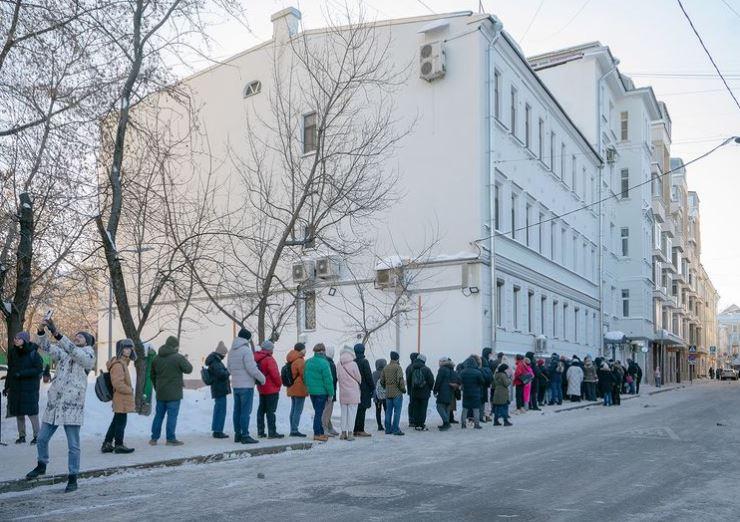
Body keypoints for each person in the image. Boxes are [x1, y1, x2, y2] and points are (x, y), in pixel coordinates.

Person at [26, 319, 95, 493]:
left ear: (87, 342)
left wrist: (57, 334)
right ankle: (41, 465)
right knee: (41, 438)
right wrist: (41, 331)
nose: (77, 337)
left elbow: (75, 353)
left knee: (73, 445)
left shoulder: (88, 354)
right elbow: (47, 347)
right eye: (76, 335)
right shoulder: (65, 353)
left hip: (72, 406)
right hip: (55, 404)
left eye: (81, 336)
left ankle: (73, 477)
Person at [150, 336, 193, 446]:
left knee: (159, 415)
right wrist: (185, 359)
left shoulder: (156, 358)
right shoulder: (178, 357)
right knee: (172, 416)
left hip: (161, 393)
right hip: (174, 394)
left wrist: (157, 387)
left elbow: (152, 375)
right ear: (175, 346)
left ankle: (154, 438)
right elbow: (189, 369)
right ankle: (170, 439)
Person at [4, 331, 43, 444]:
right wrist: (7, 386)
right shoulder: (13, 352)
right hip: (16, 387)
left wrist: (22, 373)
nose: (15, 340)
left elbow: (38, 369)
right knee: (19, 413)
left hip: (29, 388)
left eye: (18, 338)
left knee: (32, 413)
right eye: (15, 338)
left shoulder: (33, 353)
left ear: (24, 340)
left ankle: (37, 436)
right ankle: (22, 436)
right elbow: (10, 370)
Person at [227, 328, 265, 445]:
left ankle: (237, 434)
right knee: (245, 411)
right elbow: (252, 368)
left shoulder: (231, 351)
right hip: (246, 385)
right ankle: (245, 435)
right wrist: (262, 379)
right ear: (247, 338)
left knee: (237, 411)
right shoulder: (246, 351)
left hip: (236, 385)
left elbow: (229, 368)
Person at [101, 339, 136, 454]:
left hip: (122, 398)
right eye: (126, 348)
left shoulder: (123, 363)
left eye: (130, 348)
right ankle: (119, 445)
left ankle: (107, 443)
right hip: (121, 398)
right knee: (121, 422)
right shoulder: (118, 365)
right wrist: (129, 390)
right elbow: (117, 383)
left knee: (116, 421)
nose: (129, 350)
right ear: (120, 349)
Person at [304, 343, 334, 442]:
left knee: (318, 412)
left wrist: (308, 388)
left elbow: (305, 377)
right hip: (322, 392)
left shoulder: (308, 362)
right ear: (323, 351)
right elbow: (328, 380)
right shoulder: (324, 363)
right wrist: (331, 393)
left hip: (312, 392)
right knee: (319, 413)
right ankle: (317, 433)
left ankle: (320, 431)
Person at [254, 340, 283, 439]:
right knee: (271, 411)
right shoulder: (269, 359)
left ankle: (260, 431)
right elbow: (275, 374)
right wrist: (279, 384)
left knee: (261, 410)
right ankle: (272, 432)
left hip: (261, 387)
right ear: (269, 349)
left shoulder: (257, 358)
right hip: (271, 389)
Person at [205, 341, 231, 439]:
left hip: (218, 389)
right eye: (224, 354)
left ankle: (217, 429)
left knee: (219, 410)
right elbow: (221, 375)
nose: (224, 356)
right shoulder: (215, 362)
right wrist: (228, 370)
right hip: (219, 389)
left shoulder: (214, 361)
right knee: (220, 410)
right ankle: (218, 431)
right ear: (220, 353)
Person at [337, 346, 361, 441]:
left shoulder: (339, 364)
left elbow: (338, 377)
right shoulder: (354, 364)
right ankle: (350, 433)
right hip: (353, 393)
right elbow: (359, 378)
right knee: (352, 413)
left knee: (343, 414)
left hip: (343, 392)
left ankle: (343, 433)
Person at [380, 351, 406, 436]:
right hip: (397, 393)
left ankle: (388, 429)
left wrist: (386, 387)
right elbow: (400, 380)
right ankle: (395, 429)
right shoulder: (398, 367)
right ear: (397, 358)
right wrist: (403, 390)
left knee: (388, 411)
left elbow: (382, 381)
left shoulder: (386, 367)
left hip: (388, 392)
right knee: (397, 411)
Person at [352, 343, 375, 437]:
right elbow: (369, 376)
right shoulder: (364, 362)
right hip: (364, 389)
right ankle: (360, 429)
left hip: (354, 388)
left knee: (356, 410)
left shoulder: (353, 362)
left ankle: (355, 429)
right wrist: (372, 388)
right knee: (362, 410)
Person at [286, 342, 308, 437]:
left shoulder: (291, 359)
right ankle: (294, 430)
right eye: (304, 349)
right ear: (301, 350)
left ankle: (292, 429)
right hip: (299, 388)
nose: (305, 350)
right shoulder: (300, 361)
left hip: (291, 387)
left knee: (294, 409)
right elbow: (304, 375)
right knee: (298, 410)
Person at [408, 353, 435, 431]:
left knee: (416, 408)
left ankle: (416, 424)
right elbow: (431, 381)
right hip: (424, 393)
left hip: (414, 393)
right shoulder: (426, 369)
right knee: (423, 409)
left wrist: (411, 389)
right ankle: (421, 424)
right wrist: (429, 388)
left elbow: (409, 380)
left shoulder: (412, 368)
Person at [459, 355, 484, 429]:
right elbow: (482, 382)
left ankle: (463, 424)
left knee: (465, 409)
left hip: (466, 392)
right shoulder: (478, 372)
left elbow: (459, 380)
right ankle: (476, 424)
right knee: (476, 409)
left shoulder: (463, 372)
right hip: (476, 393)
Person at [433, 357, 457, 431]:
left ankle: (446, 423)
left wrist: (435, 390)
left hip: (443, 391)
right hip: (450, 391)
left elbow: (438, 381)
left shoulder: (442, 369)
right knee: (446, 407)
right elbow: (457, 379)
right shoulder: (452, 369)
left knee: (439, 407)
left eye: (440, 361)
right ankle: (445, 423)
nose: (439, 363)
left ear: (443, 362)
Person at [322, 346, 340, 437]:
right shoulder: (331, 364)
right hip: (330, 391)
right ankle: (325, 428)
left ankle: (329, 427)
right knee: (327, 411)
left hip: (323, 391)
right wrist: (331, 393)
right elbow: (332, 380)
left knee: (325, 410)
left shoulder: (324, 362)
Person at [372, 358, 387, 431]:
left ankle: (379, 425)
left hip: (376, 395)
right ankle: (387, 424)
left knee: (378, 411)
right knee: (386, 410)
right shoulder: (386, 373)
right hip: (385, 394)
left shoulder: (374, 373)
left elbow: (372, 384)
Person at [405, 353, 419, 427]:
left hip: (410, 389)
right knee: (414, 405)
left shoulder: (408, 367)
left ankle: (411, 420)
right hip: (414, 389)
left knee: (412, 404)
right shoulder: (414, 367)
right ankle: (412, 420)